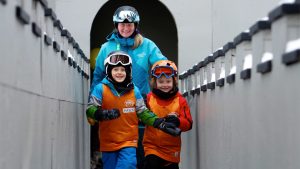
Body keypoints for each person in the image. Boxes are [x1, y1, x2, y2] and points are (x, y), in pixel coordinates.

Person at [90, 5, 167, 168]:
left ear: (135, 26)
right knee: (113, 157)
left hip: (140, 106)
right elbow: (97, 77)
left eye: (129, 24)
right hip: (113, 111)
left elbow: (162, 66)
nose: (126, 28)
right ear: (116, 25)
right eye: (122, 24)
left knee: (138, 156)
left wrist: (167, 94)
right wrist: (93, 104)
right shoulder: (106, 48)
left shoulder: (147, 45)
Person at [86, 51, 180, 169]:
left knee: (127, 165)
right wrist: (102, 113)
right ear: (109, 71)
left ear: (128, 71)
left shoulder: (134, 91)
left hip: (129, 142)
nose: (119, 73)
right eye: (115, 70)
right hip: (108, 143)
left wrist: (160, 123)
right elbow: (90, 109)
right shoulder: (100, 89)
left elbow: (143, 112)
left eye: (122, 70)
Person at [143, 60, 193, 169]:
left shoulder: (180, 100)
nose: (165, 85)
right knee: (151, 163)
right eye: (161, 82)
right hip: (152, 147)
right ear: (154, 82)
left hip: (172, 150)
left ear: (174, 82)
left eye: (168, 81)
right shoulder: (148, 98)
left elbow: (189, 123)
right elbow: (141, 116)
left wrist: (178, 121)